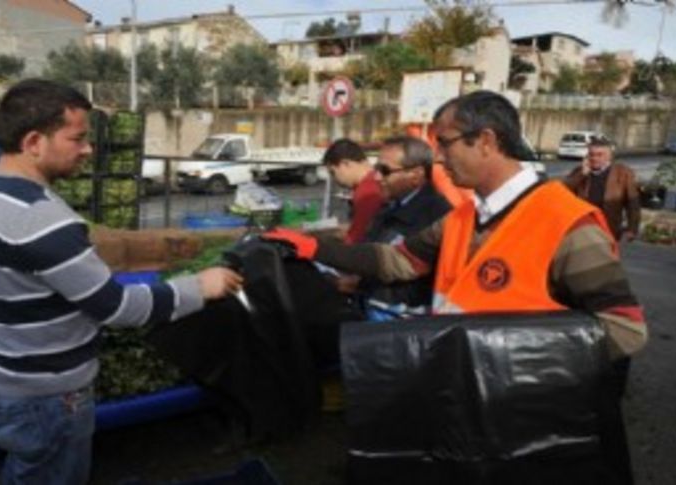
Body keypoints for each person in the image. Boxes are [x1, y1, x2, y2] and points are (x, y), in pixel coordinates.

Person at [264, 90, 647, 480]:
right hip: (465, 404)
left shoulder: (567, 224)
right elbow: (398, 261)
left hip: (522, 420)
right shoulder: (461, 218)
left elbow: (625, 330)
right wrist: (316, 248)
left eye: (444, 144)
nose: (439, 160)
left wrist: (493, 358)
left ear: (485, 141)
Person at [0, 79, 243, 485]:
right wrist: (200, 286)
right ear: (35, 141)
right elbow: (118, 308)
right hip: (46, 396)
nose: (88, 149)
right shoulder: (41, 219)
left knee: (28, 468)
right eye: (78, 138)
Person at [357, 135, 450, 307]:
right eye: (375, 169)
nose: (376, 177)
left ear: (415, 175)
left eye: (385, 170)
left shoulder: (434, 217)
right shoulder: (391, 207)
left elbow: (419, 287)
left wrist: (360, 286)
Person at [564, 138, 641, 241]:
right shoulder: (580, 172)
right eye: (591, 154)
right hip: (583, 227)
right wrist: (582, 175)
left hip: (608, 228)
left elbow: (633, 203)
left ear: (609, 156)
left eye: (600, 155)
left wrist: (632, 228)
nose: (594, 158)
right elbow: (564, 191)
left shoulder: (623, 173)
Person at [322, 138, 385, 243]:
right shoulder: (377, 180)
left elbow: (355, 238)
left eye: (333, 172)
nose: (334, 179)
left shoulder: (366, 191)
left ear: (345, 164)